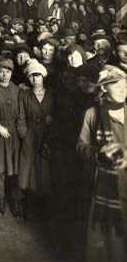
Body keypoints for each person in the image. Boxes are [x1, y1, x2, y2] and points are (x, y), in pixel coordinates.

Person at [77, 65, 127, 261]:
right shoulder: (92, 114)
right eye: (117, 85)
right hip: (104, 185)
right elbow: (80, 146)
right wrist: (98, 154)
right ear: (104, 88)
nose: (124, 89)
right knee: (106, 239)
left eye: (126, 85)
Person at [17, 59, 54, 220]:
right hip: (30, 134)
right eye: (31, 76)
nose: (34, 79)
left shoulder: (52, 94)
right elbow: (20, 116)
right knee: (29, 168)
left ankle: (45, 208)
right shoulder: (24, 94)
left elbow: (58, 114)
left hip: (47, 134)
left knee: (45, 169)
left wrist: (52, 122)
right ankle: (29, 207)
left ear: (43, 76)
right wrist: (24, 134)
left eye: (37, 75)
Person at [0, 58, 24, 218]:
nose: (4, 74)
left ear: (11, 73)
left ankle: (15, 199)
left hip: (14, 133)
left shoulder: (17, 90)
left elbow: (21, 113)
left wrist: (21, 131)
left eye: (8, 71)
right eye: (1, 71)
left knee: (15, 167)